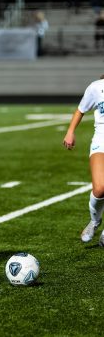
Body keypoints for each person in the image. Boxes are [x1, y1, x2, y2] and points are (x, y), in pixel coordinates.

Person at [63, 75, 104, 246]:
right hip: (101, 141)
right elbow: (81, 110)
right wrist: (70, 132)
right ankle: (95, 222)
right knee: (100, 188)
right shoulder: (96, 87)